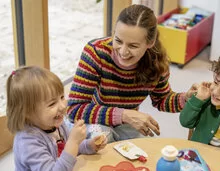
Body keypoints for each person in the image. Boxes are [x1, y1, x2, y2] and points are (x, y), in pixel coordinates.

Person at [66, 4, 197, 142]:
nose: (123, 52)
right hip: (95, 119)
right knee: (102, 140)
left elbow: (162, 99)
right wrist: (124, 115)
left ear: (150, 42)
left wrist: (186, 98)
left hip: (126, 123)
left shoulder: (157, 62)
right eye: (118, 40)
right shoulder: (95, 52)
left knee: (142, 150)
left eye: (133, 46)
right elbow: (74, 109)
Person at [6, 66, 107, 171]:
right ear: (27, 113)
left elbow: (70, 148)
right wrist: (73, 142)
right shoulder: (27, 142)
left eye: (62, 97)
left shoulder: (55, 123)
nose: (63, 106)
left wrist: (89, 145)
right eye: (52, 103)